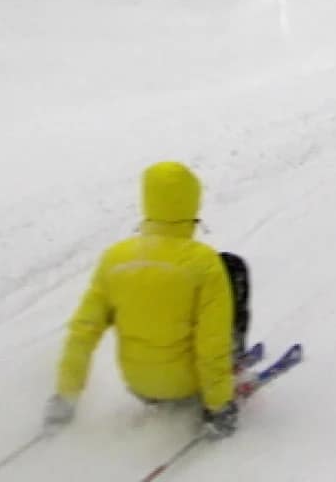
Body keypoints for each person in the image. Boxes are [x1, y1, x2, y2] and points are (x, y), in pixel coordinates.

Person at [42, 161, 251, 439]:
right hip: (188, 388)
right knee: (232, 268)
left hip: (140, 386)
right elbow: (211, 341)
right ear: (192, 202)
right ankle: (233, 369)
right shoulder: (206, 264)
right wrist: (218, 406)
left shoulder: (115, 258)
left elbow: (83, 331)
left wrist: (65, 396)